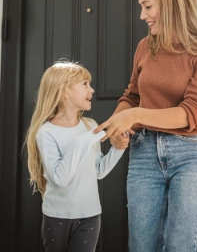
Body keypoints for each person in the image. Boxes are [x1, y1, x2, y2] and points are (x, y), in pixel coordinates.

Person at [94, 0, 197, 252]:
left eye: (147, 6)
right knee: (141, 247)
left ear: (171, 2)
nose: (143, 15)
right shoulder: (146, 46)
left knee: (180, 247)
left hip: (191, 156)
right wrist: (119, 126)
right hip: (143, 154)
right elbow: (132, 96)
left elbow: (192, 113)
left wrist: (136, 115)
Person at [25, 60, 128, 252]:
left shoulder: (90, 125)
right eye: (85, 84)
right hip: (57, 217)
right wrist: (84, 140)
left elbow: (98, 171)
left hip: (90, 215)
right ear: (65, 91)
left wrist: (119, 149)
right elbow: (60, 178)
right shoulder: (46, 132)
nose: (92, 90)